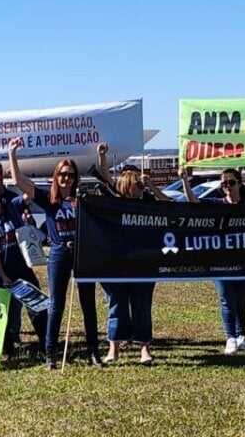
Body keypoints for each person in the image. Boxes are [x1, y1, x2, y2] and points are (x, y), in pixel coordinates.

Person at [8, 138, 100, 370]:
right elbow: (19, 181)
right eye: (62, 174)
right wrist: (13, 153)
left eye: (70, 174)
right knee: (56, 304)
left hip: (81, 254)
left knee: (88, 303)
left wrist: (102, 159)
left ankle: (93, 352)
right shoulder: (50, 200)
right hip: (59, 253)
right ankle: (50, 354)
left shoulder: (81, 201)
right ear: (56, 177)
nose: (66, 178)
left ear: (75, 178)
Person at [180, 167, 245, 355]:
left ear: (239, 183)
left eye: (231, 182)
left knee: (240, 300)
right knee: (226, 299)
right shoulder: (216, 204)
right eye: (224, 183)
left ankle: (241, 336)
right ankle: (230, 337)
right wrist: (184, 180)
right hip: (219, 261)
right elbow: (194, 202)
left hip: (244, 260)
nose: (228, 187)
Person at [96, 144, 170, 365]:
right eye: (135, 184)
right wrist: (102, 156)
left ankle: (144, 348)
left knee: (142, 305)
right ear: (126, 186)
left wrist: (152, 187)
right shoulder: (116, 204)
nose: (138, 188)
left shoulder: (148, 203)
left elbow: (169, 206)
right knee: (117, 304)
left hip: (144, 264)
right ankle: (114, 347)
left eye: (139, 184)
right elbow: (105, 178)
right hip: (118, 263)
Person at [0, 179, 47, 358]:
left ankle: (47, 345)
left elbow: (30, 194)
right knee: (1, 315)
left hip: (22, 270)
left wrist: (19, 176)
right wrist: (4, 276)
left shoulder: (12, 207)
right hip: (0, 276)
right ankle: (8, 350)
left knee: (37, 307)